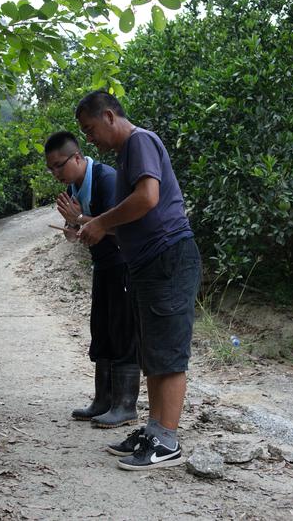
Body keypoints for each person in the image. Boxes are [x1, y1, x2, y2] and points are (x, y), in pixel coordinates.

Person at [75, 91, 201, 470]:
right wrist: (88, 225)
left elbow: (147, 198)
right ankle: (154, 429)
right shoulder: (126, 154)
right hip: (149, 264)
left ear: (110, 117)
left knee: (168, 354)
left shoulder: (139, 141)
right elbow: (132, 220)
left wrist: (101, 221)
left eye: (90, 129)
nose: (90, 139)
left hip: (168, 260)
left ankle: (168, 441)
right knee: (153, 353)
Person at [44, 131, 140, 428]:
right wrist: (73, 229)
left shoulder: (105, 179)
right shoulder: (75, 187)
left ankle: (125, 405)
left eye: (59, 165)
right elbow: (78, 233)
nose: (56, 173)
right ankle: (103, 400)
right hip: (102, 266)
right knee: (102, 331)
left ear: (77, 157)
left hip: (123, 265)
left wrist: (81, 220)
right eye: (51, 168)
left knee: (123, 332)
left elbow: (123, 227)